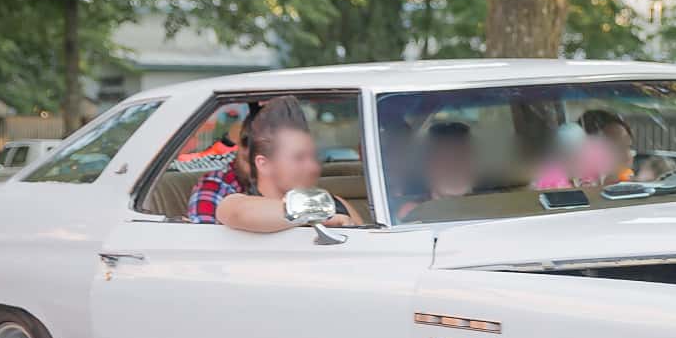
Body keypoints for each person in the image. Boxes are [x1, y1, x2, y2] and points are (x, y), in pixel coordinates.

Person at [187, 95, 355, 232]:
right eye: (298, 158)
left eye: (313, 157)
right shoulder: (236, 204)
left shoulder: (335, 203)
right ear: (263, 164)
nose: (312, 166)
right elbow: (239, 213)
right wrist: (316, 215)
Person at [395, 120, 477, 219]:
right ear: (427, 166)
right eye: (444, 158)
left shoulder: (496, 208)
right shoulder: (414, 212)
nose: (454, 166)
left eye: (461, 156)